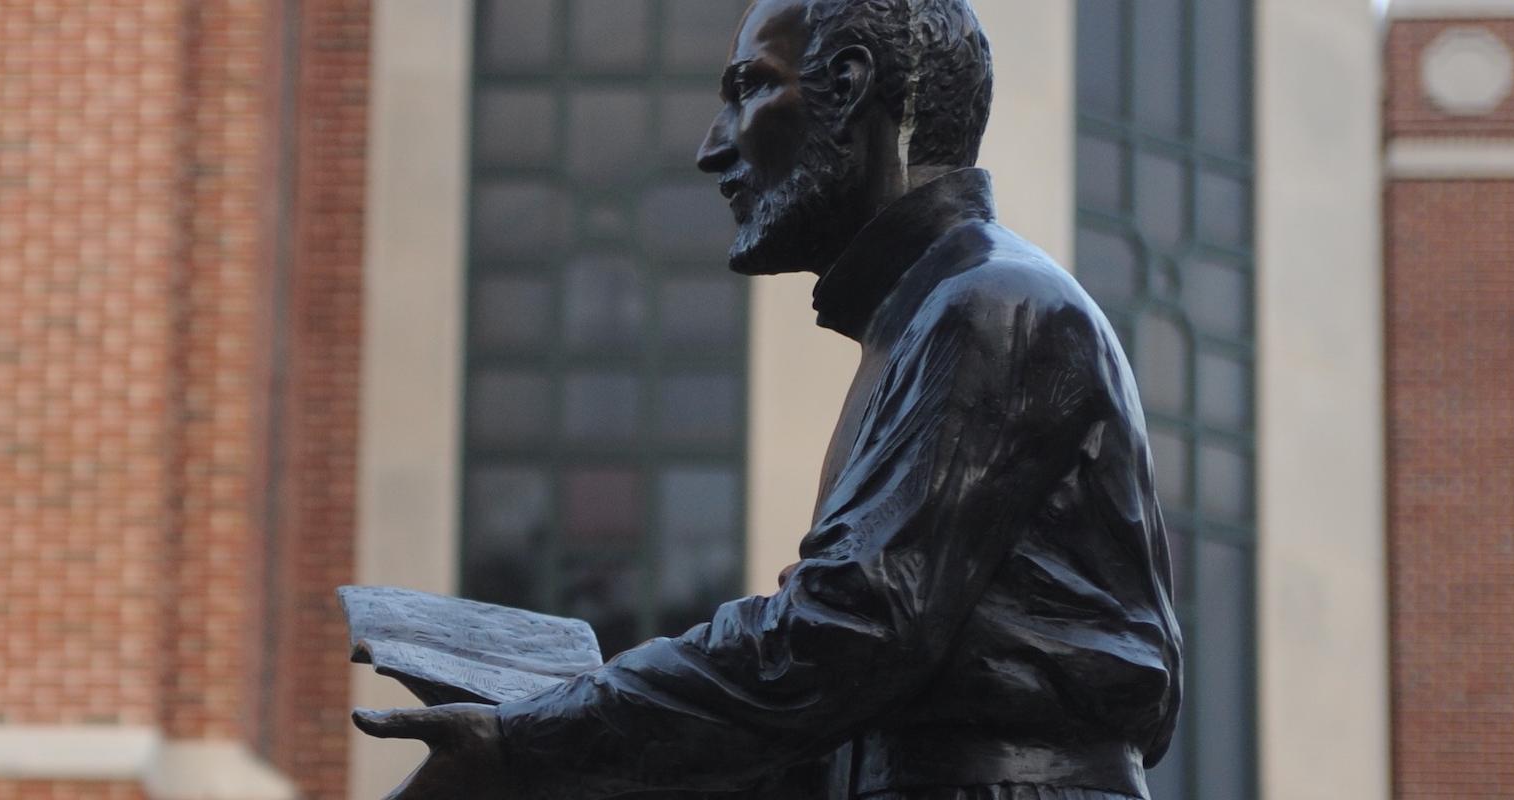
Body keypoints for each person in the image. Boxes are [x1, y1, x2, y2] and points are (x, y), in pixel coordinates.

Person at [351, 1, 1184, 798]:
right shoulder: (928, 317)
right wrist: (564, 724)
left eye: (749, 89)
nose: (713, 150)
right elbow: (838, 692)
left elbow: (847, 633)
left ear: (851, 84)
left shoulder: (990, 306)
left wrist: (526, 744)